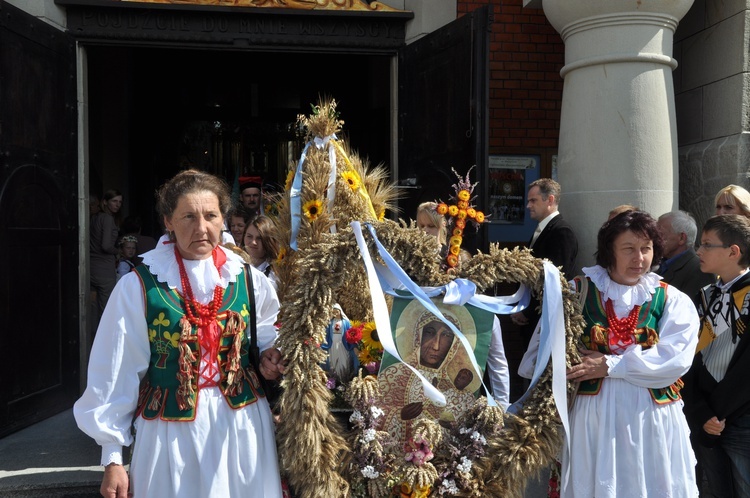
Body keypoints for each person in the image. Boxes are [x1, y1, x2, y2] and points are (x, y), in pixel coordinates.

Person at [74, 169, 285, 498]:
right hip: (170, 434)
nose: (201, 228)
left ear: (223, 219)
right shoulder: (138, 286)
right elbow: (114, 370)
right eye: (188, 216)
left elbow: (267, 334)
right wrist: (113, 457)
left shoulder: (248, 279)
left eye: (211, 216)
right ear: (168, 221)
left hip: (243, 428)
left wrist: (273, 356)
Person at [562, 210, 699, 497]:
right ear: (609, 251)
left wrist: (611, 365)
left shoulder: (671, 299)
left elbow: (675, 359)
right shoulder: (577, 292)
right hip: (594, 416)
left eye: (646, 249)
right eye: (629, 249)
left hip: (650, 416)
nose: (639, 258)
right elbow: (546, 348)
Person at [682, 214, 750, 497]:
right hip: (705, 417)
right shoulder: (705, 295)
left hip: (742, 417)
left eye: (707, 244)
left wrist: (718, 412)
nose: (699, 251)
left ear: (733, 251)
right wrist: (701, 412)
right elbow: (689, 358)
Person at [510, 178, 579, 348]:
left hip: (544, 320)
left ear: (550, 200)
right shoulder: (543, 229)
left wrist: (527, 311)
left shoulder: (561, 232)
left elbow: (553, 281)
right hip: (533, 318)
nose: (528, 206)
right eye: (528, 201)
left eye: (533, 200)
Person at [656, 210, 715, 300]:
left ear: (681, 238)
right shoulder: (657, 264)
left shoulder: (700, 270)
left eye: (660, 234)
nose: (655, 239)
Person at [89, 189, 123, 320]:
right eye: (114, 201)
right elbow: (106, 245)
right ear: (105, 202)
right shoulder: (107, 219)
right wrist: (118, 251)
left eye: (120, 202)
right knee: (106, 308)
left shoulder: (93, 218)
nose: (117, 204)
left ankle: (90, 337)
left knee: (92, 307)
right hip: (104, 271)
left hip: (91, 269)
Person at [321, 303, 358, 382]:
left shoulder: (345, 322)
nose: (335, 313)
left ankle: (343, 377)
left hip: (342, 344)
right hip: (332, 344)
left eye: (336, 311)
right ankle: (333, 379)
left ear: (340, 311)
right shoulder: (330, 322)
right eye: (333, 312)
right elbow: (325, 333)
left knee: (344, 360)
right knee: (332, 360)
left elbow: (350, 333)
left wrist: (354, 345)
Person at [243, 214, 280, 289]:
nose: (253, 242)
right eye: (249, 236)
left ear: (269, 241)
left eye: (259, 238)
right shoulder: (235, 264)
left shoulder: (274, 275)